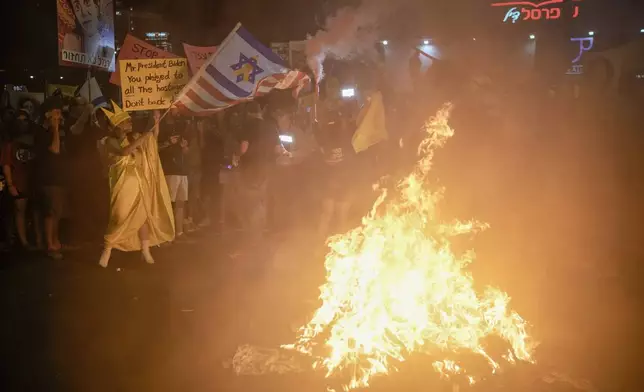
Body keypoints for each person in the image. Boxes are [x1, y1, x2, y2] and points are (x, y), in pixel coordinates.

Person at [97, 104, 174, 268]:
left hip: (140, 183)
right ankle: (107, 249)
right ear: (117, 125)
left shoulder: (135, 136)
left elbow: (152, 140)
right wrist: (143, 138)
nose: (130, 123)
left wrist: (156, 121)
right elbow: (125, 152)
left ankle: (145, 251)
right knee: (119, 217)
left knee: (143, 217)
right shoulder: (109, 141)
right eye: (126, 121)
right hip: (123, 186)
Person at [235, 102, 288, 245]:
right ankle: (262, 231)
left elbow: (244, 148)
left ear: (248, 114)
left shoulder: (247, 126)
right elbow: (279, 149)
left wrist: (237, 156)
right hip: (268, 169)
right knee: (263, 200)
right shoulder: (271, 126)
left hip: (251, 169)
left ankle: (254, 237)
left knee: (252, 203)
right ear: (260, 112)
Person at [1, 109, 42, 250]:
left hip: (31, 181)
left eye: (25, 120)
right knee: (20, 210)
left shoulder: (32, 140)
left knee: (35, 211)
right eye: (20, 120)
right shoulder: (10, 144)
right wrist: (11, 184)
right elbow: (6, 164)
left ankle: (36, 239)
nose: (23, 123)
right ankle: (23, 242)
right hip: (18, 182)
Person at [315, 97, 357, 236]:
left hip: (333, 180)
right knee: (341, 215)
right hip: (342, 179)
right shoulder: (347, 134)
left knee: (328, 214)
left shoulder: (324, 135)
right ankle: (337, 243)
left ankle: (321, 243)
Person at [34, 97, 67, 259]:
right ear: (48, 115)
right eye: (56, 113)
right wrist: (54, 129)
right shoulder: (41, 132)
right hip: (48, 178)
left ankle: (55, 239)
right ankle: (49, 245)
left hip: (59, 177)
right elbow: (54, 149)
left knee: (58, 212)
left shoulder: (59, 131)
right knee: (50, 212)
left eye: (60, 113)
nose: (59, 116)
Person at [158, 112, 191, 241]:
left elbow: (186, 151)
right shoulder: (161, 127)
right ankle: (166, 234)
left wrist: (184, 147)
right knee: (168, 204)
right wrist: (168, 142)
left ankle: (179, 232)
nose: (176, 111)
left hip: (182, 172)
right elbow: (154, 147)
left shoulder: (181, 126)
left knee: (180, 204)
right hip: (169, 171)